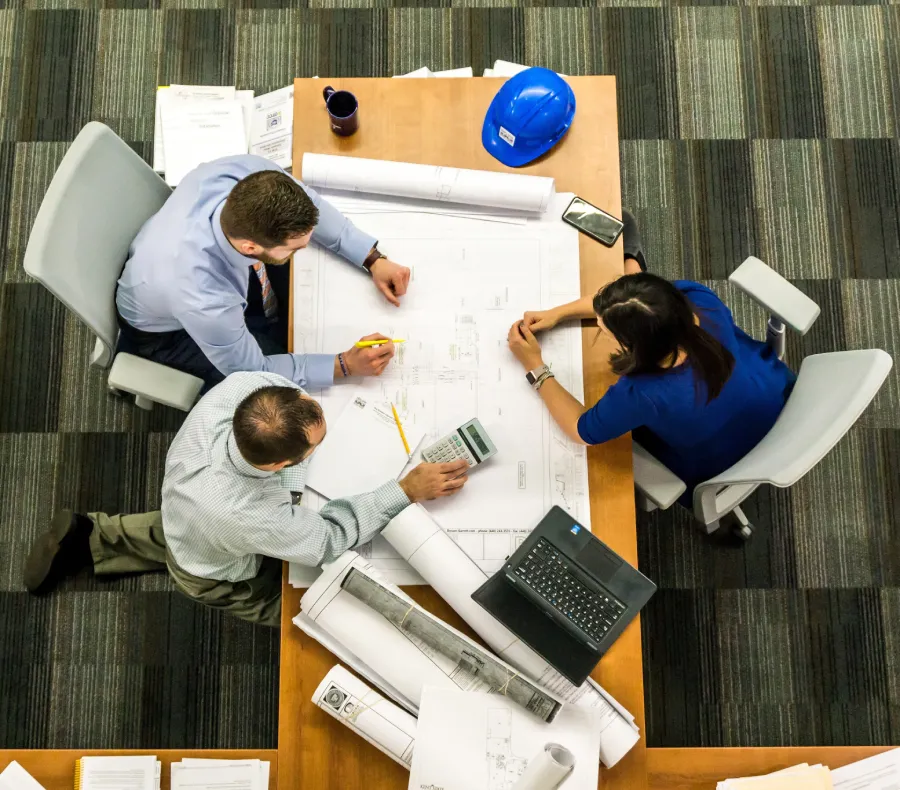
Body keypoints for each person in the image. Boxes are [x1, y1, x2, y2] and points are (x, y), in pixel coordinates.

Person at [23, 372, 469, 626]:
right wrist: (404, 490)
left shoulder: (244, 388)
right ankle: (307, 621)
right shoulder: (247, 515)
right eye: (316, 445)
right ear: (277, 466)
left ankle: (91, 536)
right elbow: (327, 541)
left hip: (188, 506)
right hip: (215, 568)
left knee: (181, 529)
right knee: (299, 608)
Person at [506, 212, 795, 507]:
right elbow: (629, 304)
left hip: (721, 460)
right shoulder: (697, 299)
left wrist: (534, 366)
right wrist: (558, 313)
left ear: (634, 347)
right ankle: (633, 260)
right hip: (773, 395)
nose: (600, 328)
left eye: (605, 330)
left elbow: (583, 430)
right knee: (625, 227)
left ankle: (632, 259)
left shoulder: (643, 394)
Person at [117, 155, 413, 390]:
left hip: (168, 263)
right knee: (276, 389)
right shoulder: (203, 297)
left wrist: (371, 258)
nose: (306, 247)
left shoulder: (248, 173)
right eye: (295, 247)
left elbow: (312, 205)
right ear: (250, 247)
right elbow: (252, 371)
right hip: (166, 333)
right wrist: (344, 365)